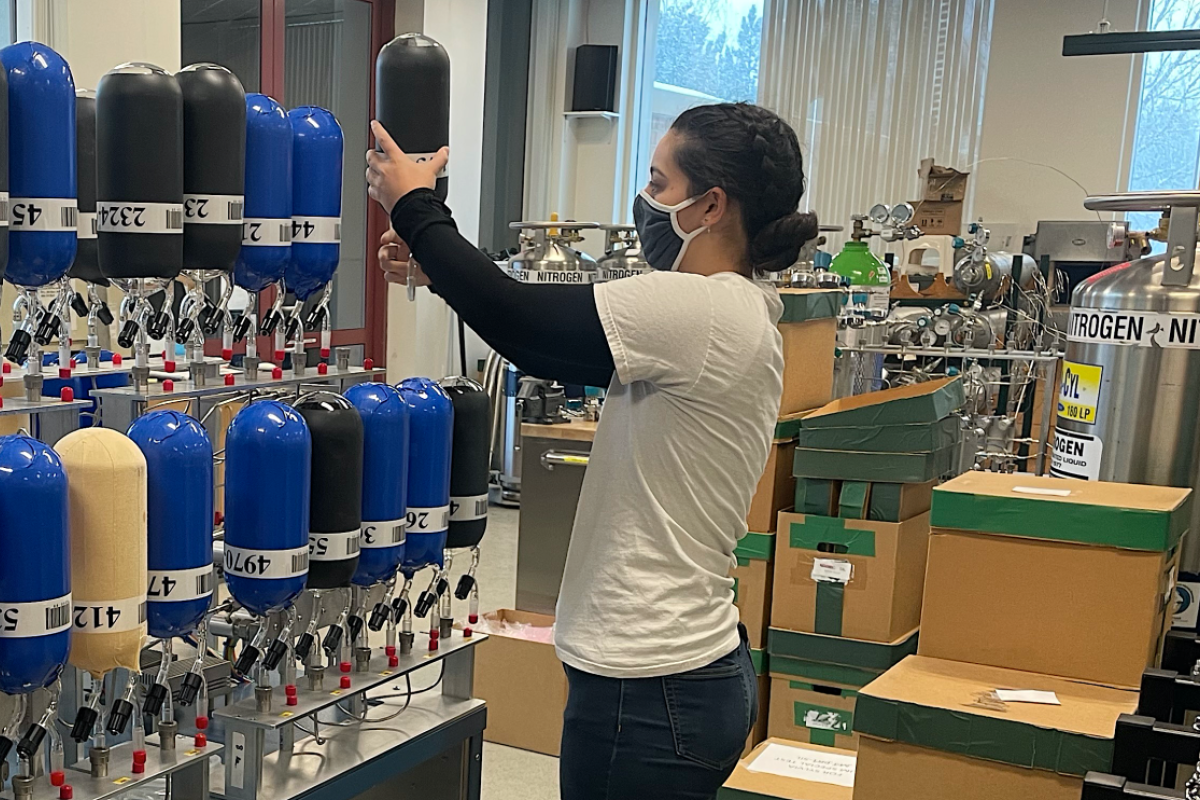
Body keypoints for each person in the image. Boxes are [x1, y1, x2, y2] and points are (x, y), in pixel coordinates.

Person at [366, 102, 818, 800]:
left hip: (651, 688)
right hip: (680, 676)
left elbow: (521, 323)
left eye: (659, 183)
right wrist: (441, 270)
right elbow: (551, 316)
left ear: (713, 205)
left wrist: (415, 206)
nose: (646, 202)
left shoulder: (699, 312)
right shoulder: (723, 313)